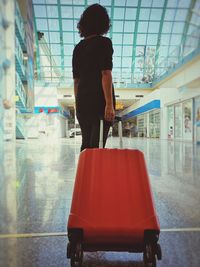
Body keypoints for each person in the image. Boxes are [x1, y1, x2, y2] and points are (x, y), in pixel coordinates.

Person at [72, 4, 115, 151]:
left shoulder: (78, 48)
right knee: (97, 145)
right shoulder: (104, 43)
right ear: (103, 23)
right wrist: (109, 104)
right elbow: (106, 74)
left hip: (83, 102)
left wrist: (78, 105)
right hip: (99, 102)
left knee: (86, 145)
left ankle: (85, 173)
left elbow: (76, 81)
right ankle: (94, 173)